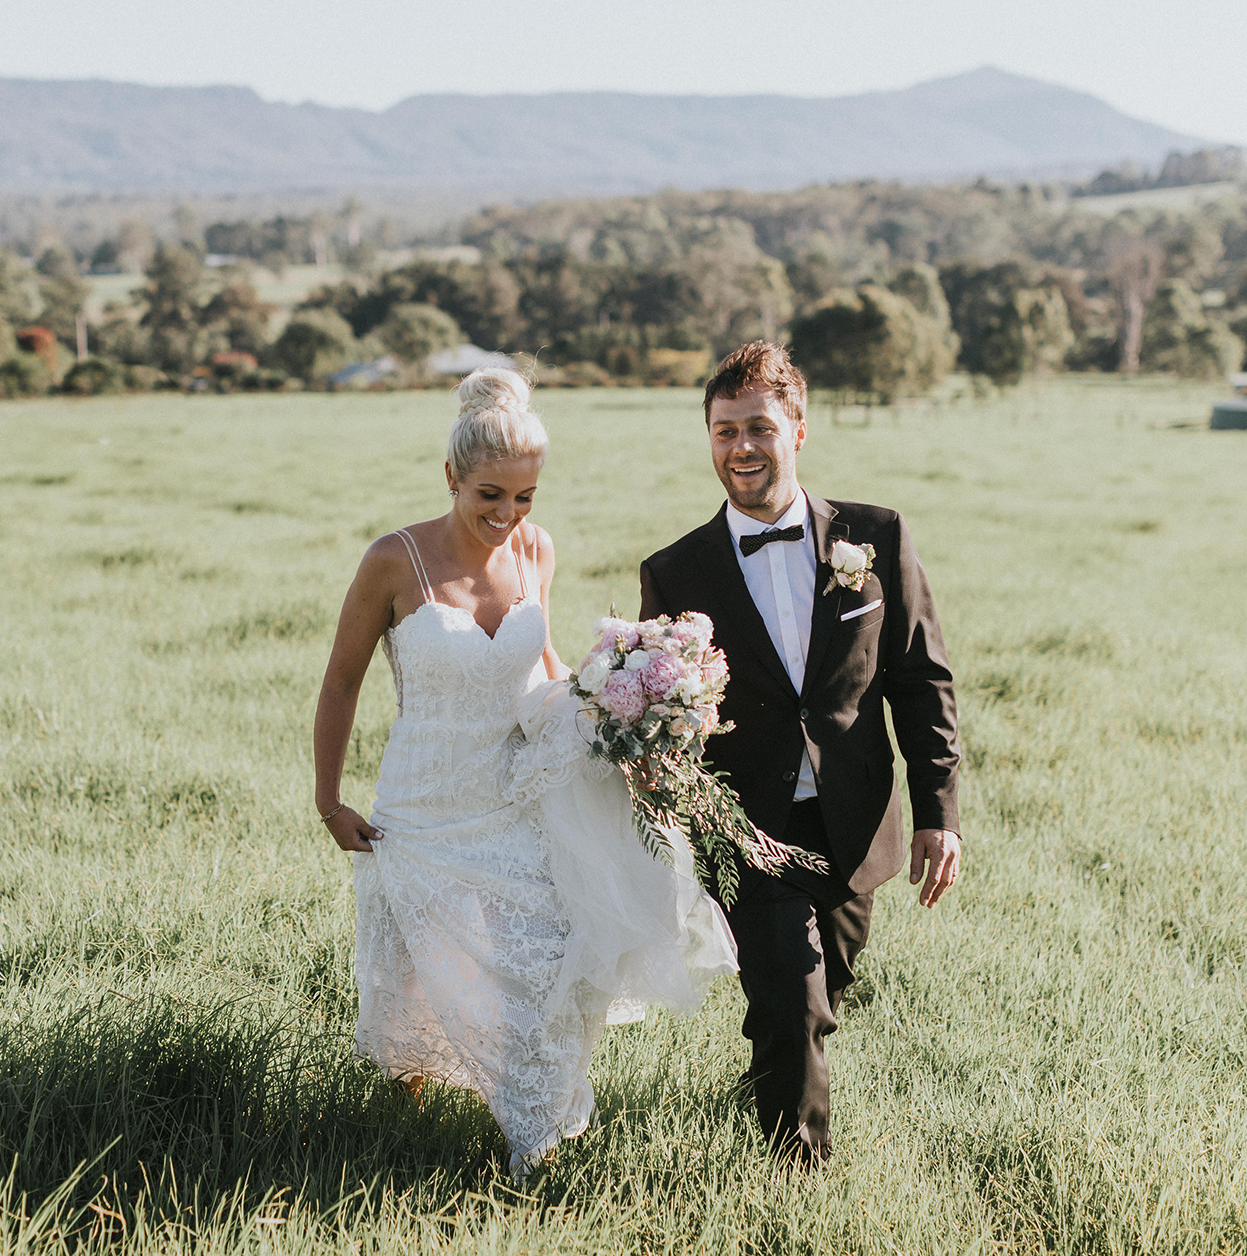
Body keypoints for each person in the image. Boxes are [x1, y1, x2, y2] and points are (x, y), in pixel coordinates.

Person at [313, 365, 735, 1174]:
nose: (508, 516)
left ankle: (532, 1141)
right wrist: (329, 800)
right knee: (411, 982)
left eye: (525, 497)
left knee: (543, 962)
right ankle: (399, 1138)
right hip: (421, 803)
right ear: (450, 478)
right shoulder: (392, 561)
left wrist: (620, 712)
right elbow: (341, 678)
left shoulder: (537, 549)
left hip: (513, 793)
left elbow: (540, 665)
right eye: (490, 496)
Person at [638, 340, 962, 1166]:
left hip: (856, 822)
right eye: (723, 431)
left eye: (759, 427)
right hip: (748, 830)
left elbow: (922, 681)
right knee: (791, 989)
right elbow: (668, 723)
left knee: (824, 990)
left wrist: (939, 815)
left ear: (799, 428)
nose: (741, 447)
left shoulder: (877, 539)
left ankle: (773, 1074)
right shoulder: (675, 572)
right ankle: (798, 1178)